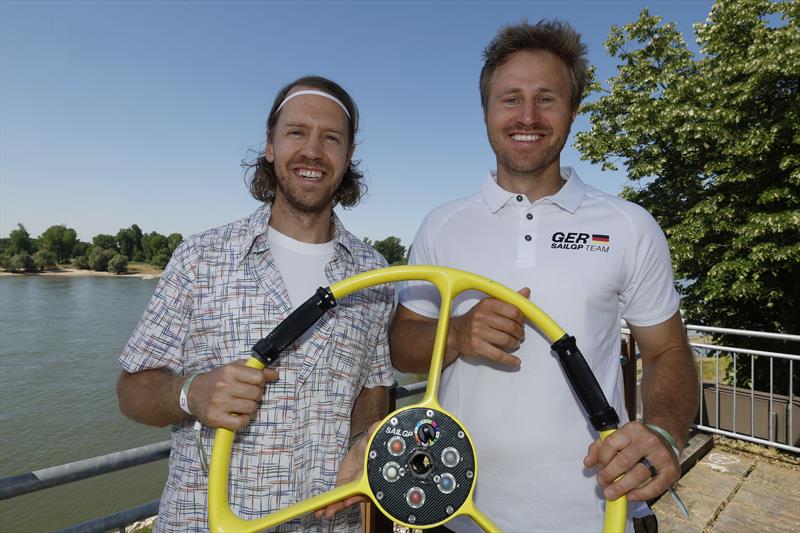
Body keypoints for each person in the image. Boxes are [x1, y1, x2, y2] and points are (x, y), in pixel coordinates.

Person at [390, 20, 699, 533]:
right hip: (458, 513)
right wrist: (461, 334)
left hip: (602, 514)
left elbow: (667, 351)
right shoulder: (441, 224)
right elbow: (402, 346)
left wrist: (665, 433)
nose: (528, 116)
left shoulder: (630, 225)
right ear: (487, 112)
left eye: (547, 99)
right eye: (510, 99)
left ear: (573, 111)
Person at [116, 75, 394, 532]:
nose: (312, 151)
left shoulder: (375, 273)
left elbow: (374, 385)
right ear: (270, 146)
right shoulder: (199, 257)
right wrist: (190, 392)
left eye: (331, 138)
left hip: (331, 522)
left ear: (348, 157)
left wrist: (365, 438)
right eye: (296, 132)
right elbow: (131, 390)